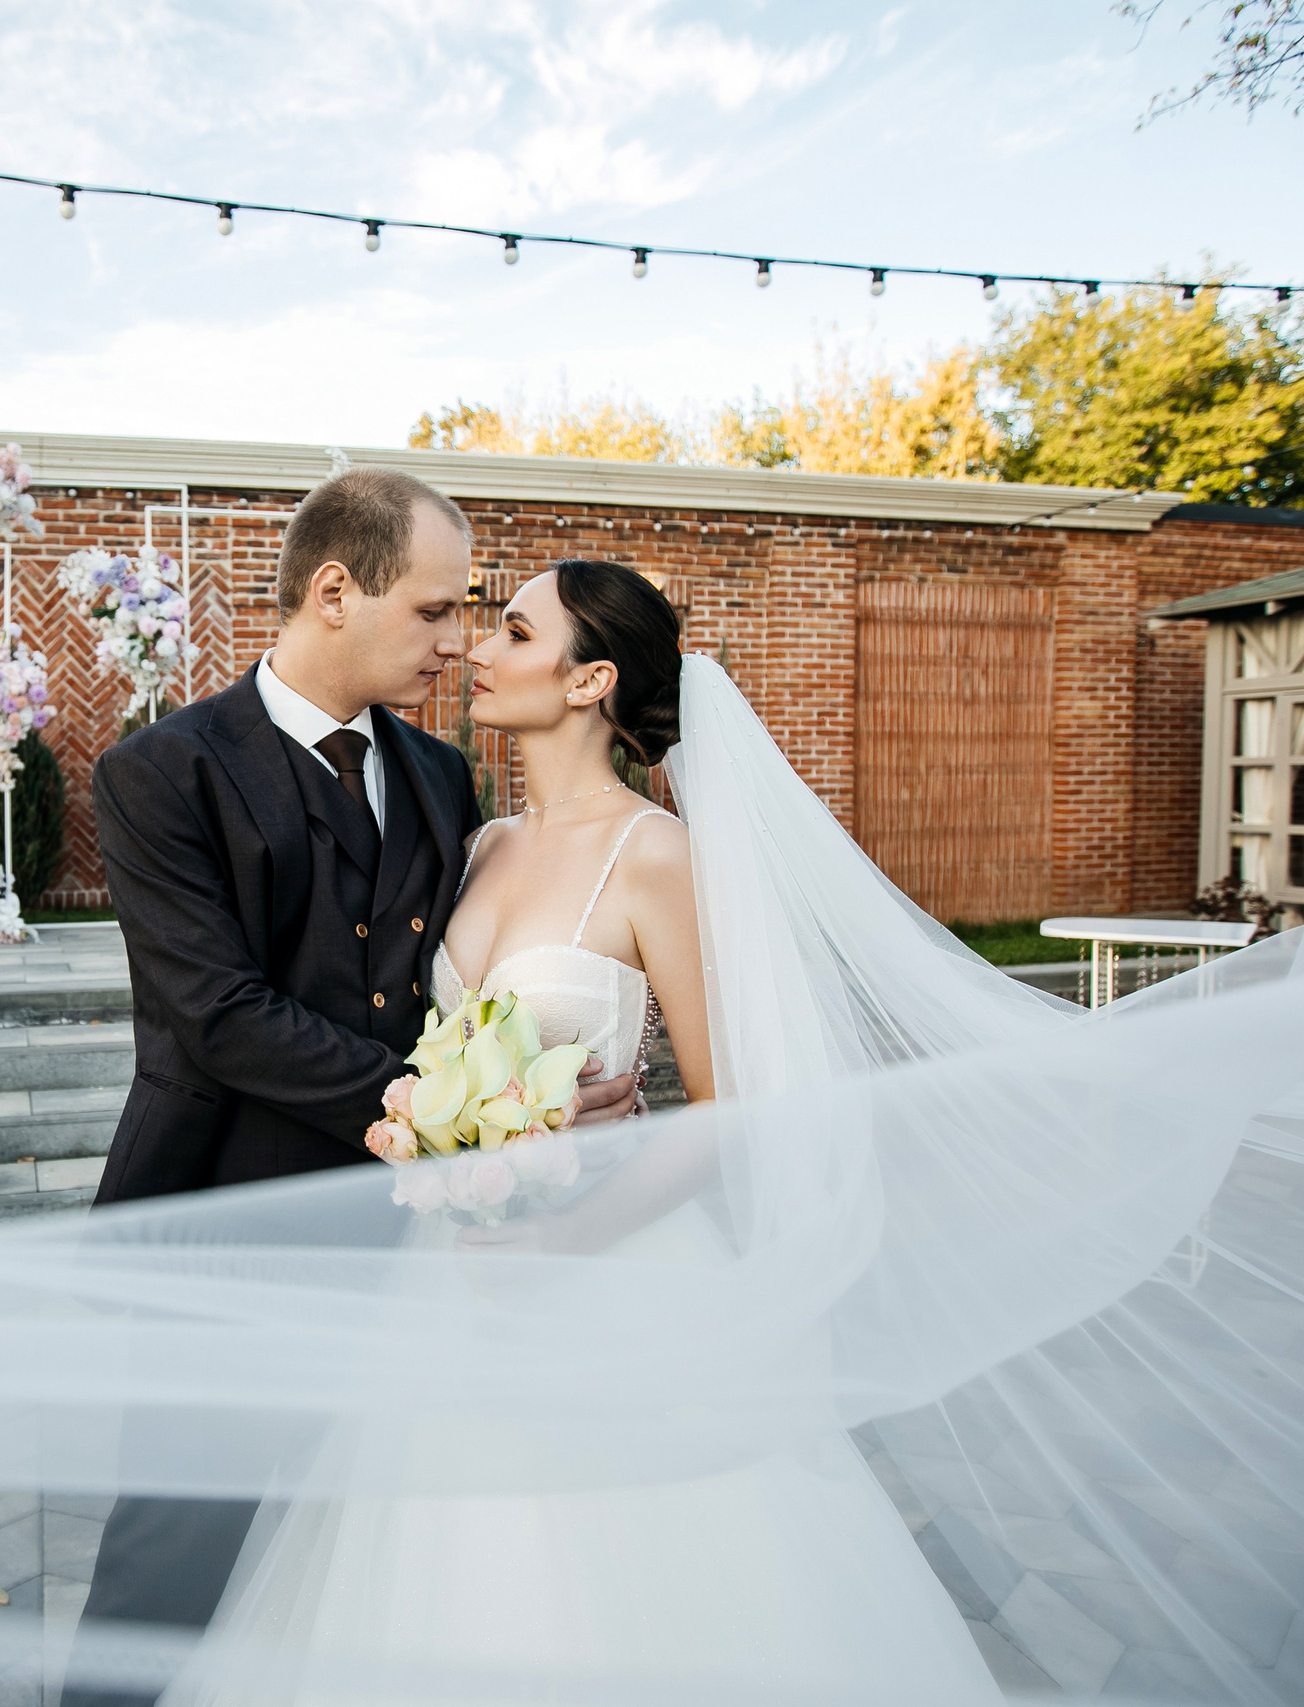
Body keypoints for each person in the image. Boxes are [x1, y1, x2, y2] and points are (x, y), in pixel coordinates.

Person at [170, 562, 1008, 1703]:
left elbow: (735, 1112)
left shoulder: (657, 857)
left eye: (511, 631)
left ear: (588, 680)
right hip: (447, 1279)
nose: (475, 648)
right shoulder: (475, 842)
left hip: (608, 1267)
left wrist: (572, 1230)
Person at [68, 476, 640, 1706]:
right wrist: (467, 1111)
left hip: (417, 1255)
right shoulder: (161, 774)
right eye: (436, 610)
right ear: (336, 589)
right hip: (220, 1236)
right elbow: (215, 1015)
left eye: (473, 617)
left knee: (359, 1562)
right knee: (171, 1567)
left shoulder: (441, 780)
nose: (458, 642)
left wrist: (535, 1087)